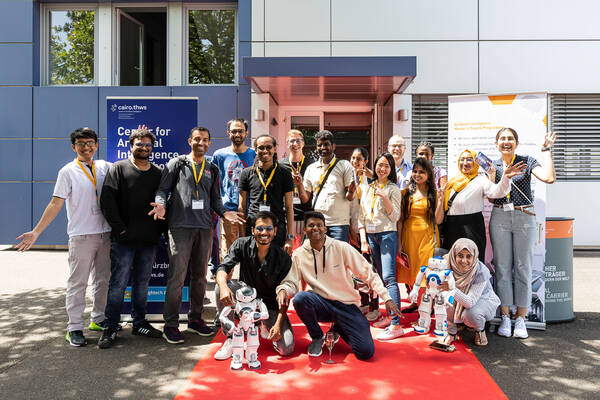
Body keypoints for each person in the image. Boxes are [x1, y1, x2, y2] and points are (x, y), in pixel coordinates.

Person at [15, 127, 111, 347]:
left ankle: (98, 319)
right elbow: (55, 203)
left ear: (96, 145)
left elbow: (130, 167)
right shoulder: (67, 171)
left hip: (105, 233)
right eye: (81, 144)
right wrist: (36, 231)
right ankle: (74, 327)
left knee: (103, 281)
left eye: (90, 143)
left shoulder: (105, 167)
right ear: (73, 147)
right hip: (81, 235)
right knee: (78, 283)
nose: (86, 147)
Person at [150, 126, 245, 344]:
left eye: (205, 140)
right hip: (180, 227)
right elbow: (162, 190)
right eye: (196, 139)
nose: (200, 143)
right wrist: (162, 206)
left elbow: (215, 200)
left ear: (209, 143)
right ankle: (171, 325)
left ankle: (195, 319)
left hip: (204, 228)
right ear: (189, 140)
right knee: (176, 277)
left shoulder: (212, 167)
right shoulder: (177, 163)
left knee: (200, 277)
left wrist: (224, 213)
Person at [276, 211, 402, 360]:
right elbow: (291, 281)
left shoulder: (341, 247)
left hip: (346, 305)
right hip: (321, 303)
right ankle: (317, 337)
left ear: (325, 229)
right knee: (300, 299)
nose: (315, 228)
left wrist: (386, 298)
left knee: (365, 352)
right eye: (311, 225)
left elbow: (368, 273)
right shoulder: (299, 254)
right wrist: (283, 289)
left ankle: (339, 327)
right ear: (304, 230)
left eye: (319, 225)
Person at [98, 127, 164, 349]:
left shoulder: (157, 173)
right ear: (130, 145)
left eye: (148, 145)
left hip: (148, 239)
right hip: (124, 240)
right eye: (139, 144)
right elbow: (107, 201)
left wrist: (159, 231)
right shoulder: (118, 169)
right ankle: (111, 326)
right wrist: (120, 230)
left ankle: (139, 323)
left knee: (142, 283)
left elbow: (163, 202)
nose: (144, 148)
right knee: (118, 283)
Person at [489, 128, 557, 339]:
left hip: (524, 216)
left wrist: (546, 149)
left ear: (516, 143)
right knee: (501, 268)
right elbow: (492, 198)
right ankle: (506, 315)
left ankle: (521, 318)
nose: (506, 142)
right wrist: (497, 179)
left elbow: (549, 178)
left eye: (510, 138)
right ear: (496, 143)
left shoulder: (527, 161)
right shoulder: (493, 165)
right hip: (500, 217)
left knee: (523, 268)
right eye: (502, 139)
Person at [214, 210, 294, 360]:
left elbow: (286, 295)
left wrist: (277, 325)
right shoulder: (241, 244)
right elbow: (222, 268)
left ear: (275, 231)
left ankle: (263, 324)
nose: (264, 232)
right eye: (260, 228)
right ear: (252, 230)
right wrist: (224, 287)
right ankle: (231, 337)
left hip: (269, 305)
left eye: (269, 229)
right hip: (245, 298)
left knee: (287, 348)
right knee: (220, 287)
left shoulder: (283, 257)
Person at [443, 149, 526, 260]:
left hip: (472, 225)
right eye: (462, 159)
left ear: (475, 163)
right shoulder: (452, 181)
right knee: (453, 259)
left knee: (473, 259)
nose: (465, 162)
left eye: (469, 159)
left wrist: (506, 177)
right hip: (451, 226)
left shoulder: (481, 180)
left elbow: (497, 192)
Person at [358, 152, 404, 339]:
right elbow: (361, 215)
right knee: (380, 279)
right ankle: (389, 315)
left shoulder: (393, 189)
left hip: (387, 235)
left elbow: (395, 217)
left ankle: (396, 325)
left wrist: (385, 197)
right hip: (371, 236)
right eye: (379, 165)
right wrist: (363, 239)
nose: (382, 168)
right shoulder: (369, 188)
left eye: (386, 165)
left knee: (389, 277)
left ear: (391, 169)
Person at [396, 157, 445, 313]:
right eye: (415, 171)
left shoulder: (434, 194)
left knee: (424, 273)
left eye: (422, 172)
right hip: (409, 237)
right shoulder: (405, 193)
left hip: (427, 237)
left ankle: (425, 308)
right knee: (411, 273)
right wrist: (399, 243)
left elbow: (438, 219)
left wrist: (441, 200)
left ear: (429, 174)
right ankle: (417, 303)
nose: (417, 175)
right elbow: (400, 221)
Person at [439, 238, 501, 347]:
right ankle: (452, 332)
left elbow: (470, 302)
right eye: (460, 255)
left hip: (482, 299)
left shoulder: (480, 271)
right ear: (454, 255)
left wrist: (452, 289)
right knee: (446, 299)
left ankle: (480, 330)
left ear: (474, 256)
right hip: (460, 296)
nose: (464, 261)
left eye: (468, 256)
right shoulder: (447, 264)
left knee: (471, 314)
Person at [238, 134, 295, 254]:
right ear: (255, 150)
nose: (265, 151)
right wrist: (243, 238)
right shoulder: (246, 173)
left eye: (268, 147)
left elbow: (289, 208)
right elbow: (242, 208)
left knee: (275, 269)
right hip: (253, 228)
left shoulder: (284, 174)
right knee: (252, 268)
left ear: (275, 149)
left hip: (276, 228)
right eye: (261, 148)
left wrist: (290, 238)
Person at [297, 130, 355, 242]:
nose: (323, 147)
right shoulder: (311, 168)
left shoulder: (344, 165)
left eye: (326, 144)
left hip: (339, 224)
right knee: (318, 258)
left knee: (337, 258)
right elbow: (305, 199)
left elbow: (349, 197)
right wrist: (299, 184)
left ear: (333, 146)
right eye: (319, 145)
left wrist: (352, 190)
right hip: (317, 224)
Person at [212, 119, 256, 259]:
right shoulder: (219, 155)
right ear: (228, 133)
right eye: (234, 131)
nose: (237, 134)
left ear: (246, 133)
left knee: (249, 248)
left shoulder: (254, 154)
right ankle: (226, 280)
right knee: (228, 250)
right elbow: (215, 182)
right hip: (229, 210)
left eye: (240, 131)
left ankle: (246, 280)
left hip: (250, 209)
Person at [278, 129, 315, 249]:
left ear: (303, 143)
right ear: (287, 144)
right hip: (286, 216)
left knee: (305, 253)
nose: (295, 144)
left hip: (306, 215)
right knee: (288, 252)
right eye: (292, 141)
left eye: (298, 141)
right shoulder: (280, 165)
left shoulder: (311, 164)